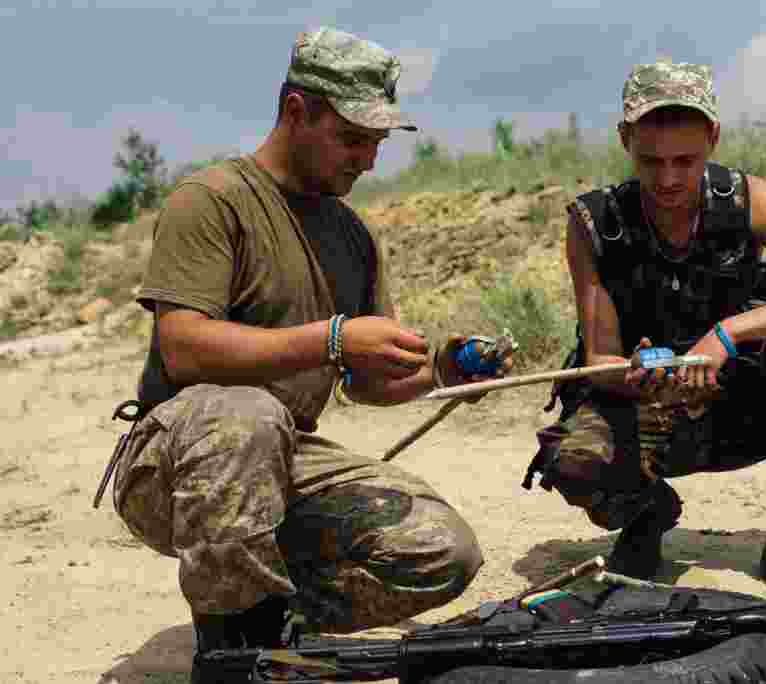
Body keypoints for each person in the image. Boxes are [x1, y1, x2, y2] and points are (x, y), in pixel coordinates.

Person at [102, 27, 506, 682]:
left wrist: (445, 371)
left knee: (441, 551)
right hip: (175, 463)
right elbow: (184, 349)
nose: (368, 159)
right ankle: (232, 653)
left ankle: (271, 619)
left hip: (279, 456)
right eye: (353, 138)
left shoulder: (352, 235)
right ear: (296, 111)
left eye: (376, 142)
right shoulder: (210, 200)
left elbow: (368, 384)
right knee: (245, 417)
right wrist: (336, 337)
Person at [531, 60, 766, 601]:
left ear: (714, 138)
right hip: (653, 417)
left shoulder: (751, 201)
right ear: (624, 139)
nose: (669, 179)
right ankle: (646, 519)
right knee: (573, 461)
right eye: (650, 160)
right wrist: (638, 377)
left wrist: (727, 335)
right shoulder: (595, 224)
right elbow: (601, 361)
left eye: (687, 159)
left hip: (749, 406)